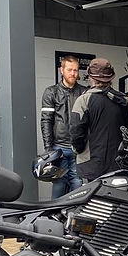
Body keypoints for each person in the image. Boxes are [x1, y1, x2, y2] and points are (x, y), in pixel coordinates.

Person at [70, 58, 128, 182]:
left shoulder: (83, 101)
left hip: (92, 167)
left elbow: (76, 133)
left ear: (90, 76)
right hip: (121, 166)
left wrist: (78, 150)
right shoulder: (124, 100)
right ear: (111, 78)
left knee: (94, 201)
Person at [39, 54, 87, 198]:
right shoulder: (51, 92)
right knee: (59, 183)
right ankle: (55, 216)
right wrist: (48, 150)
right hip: (58, 147)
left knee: (78, 184)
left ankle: (73, 216)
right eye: (70, 70)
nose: (73, 73)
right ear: (62, 70)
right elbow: (46, 121)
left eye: (76, 70)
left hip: (79, 148)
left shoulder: (84, 92)